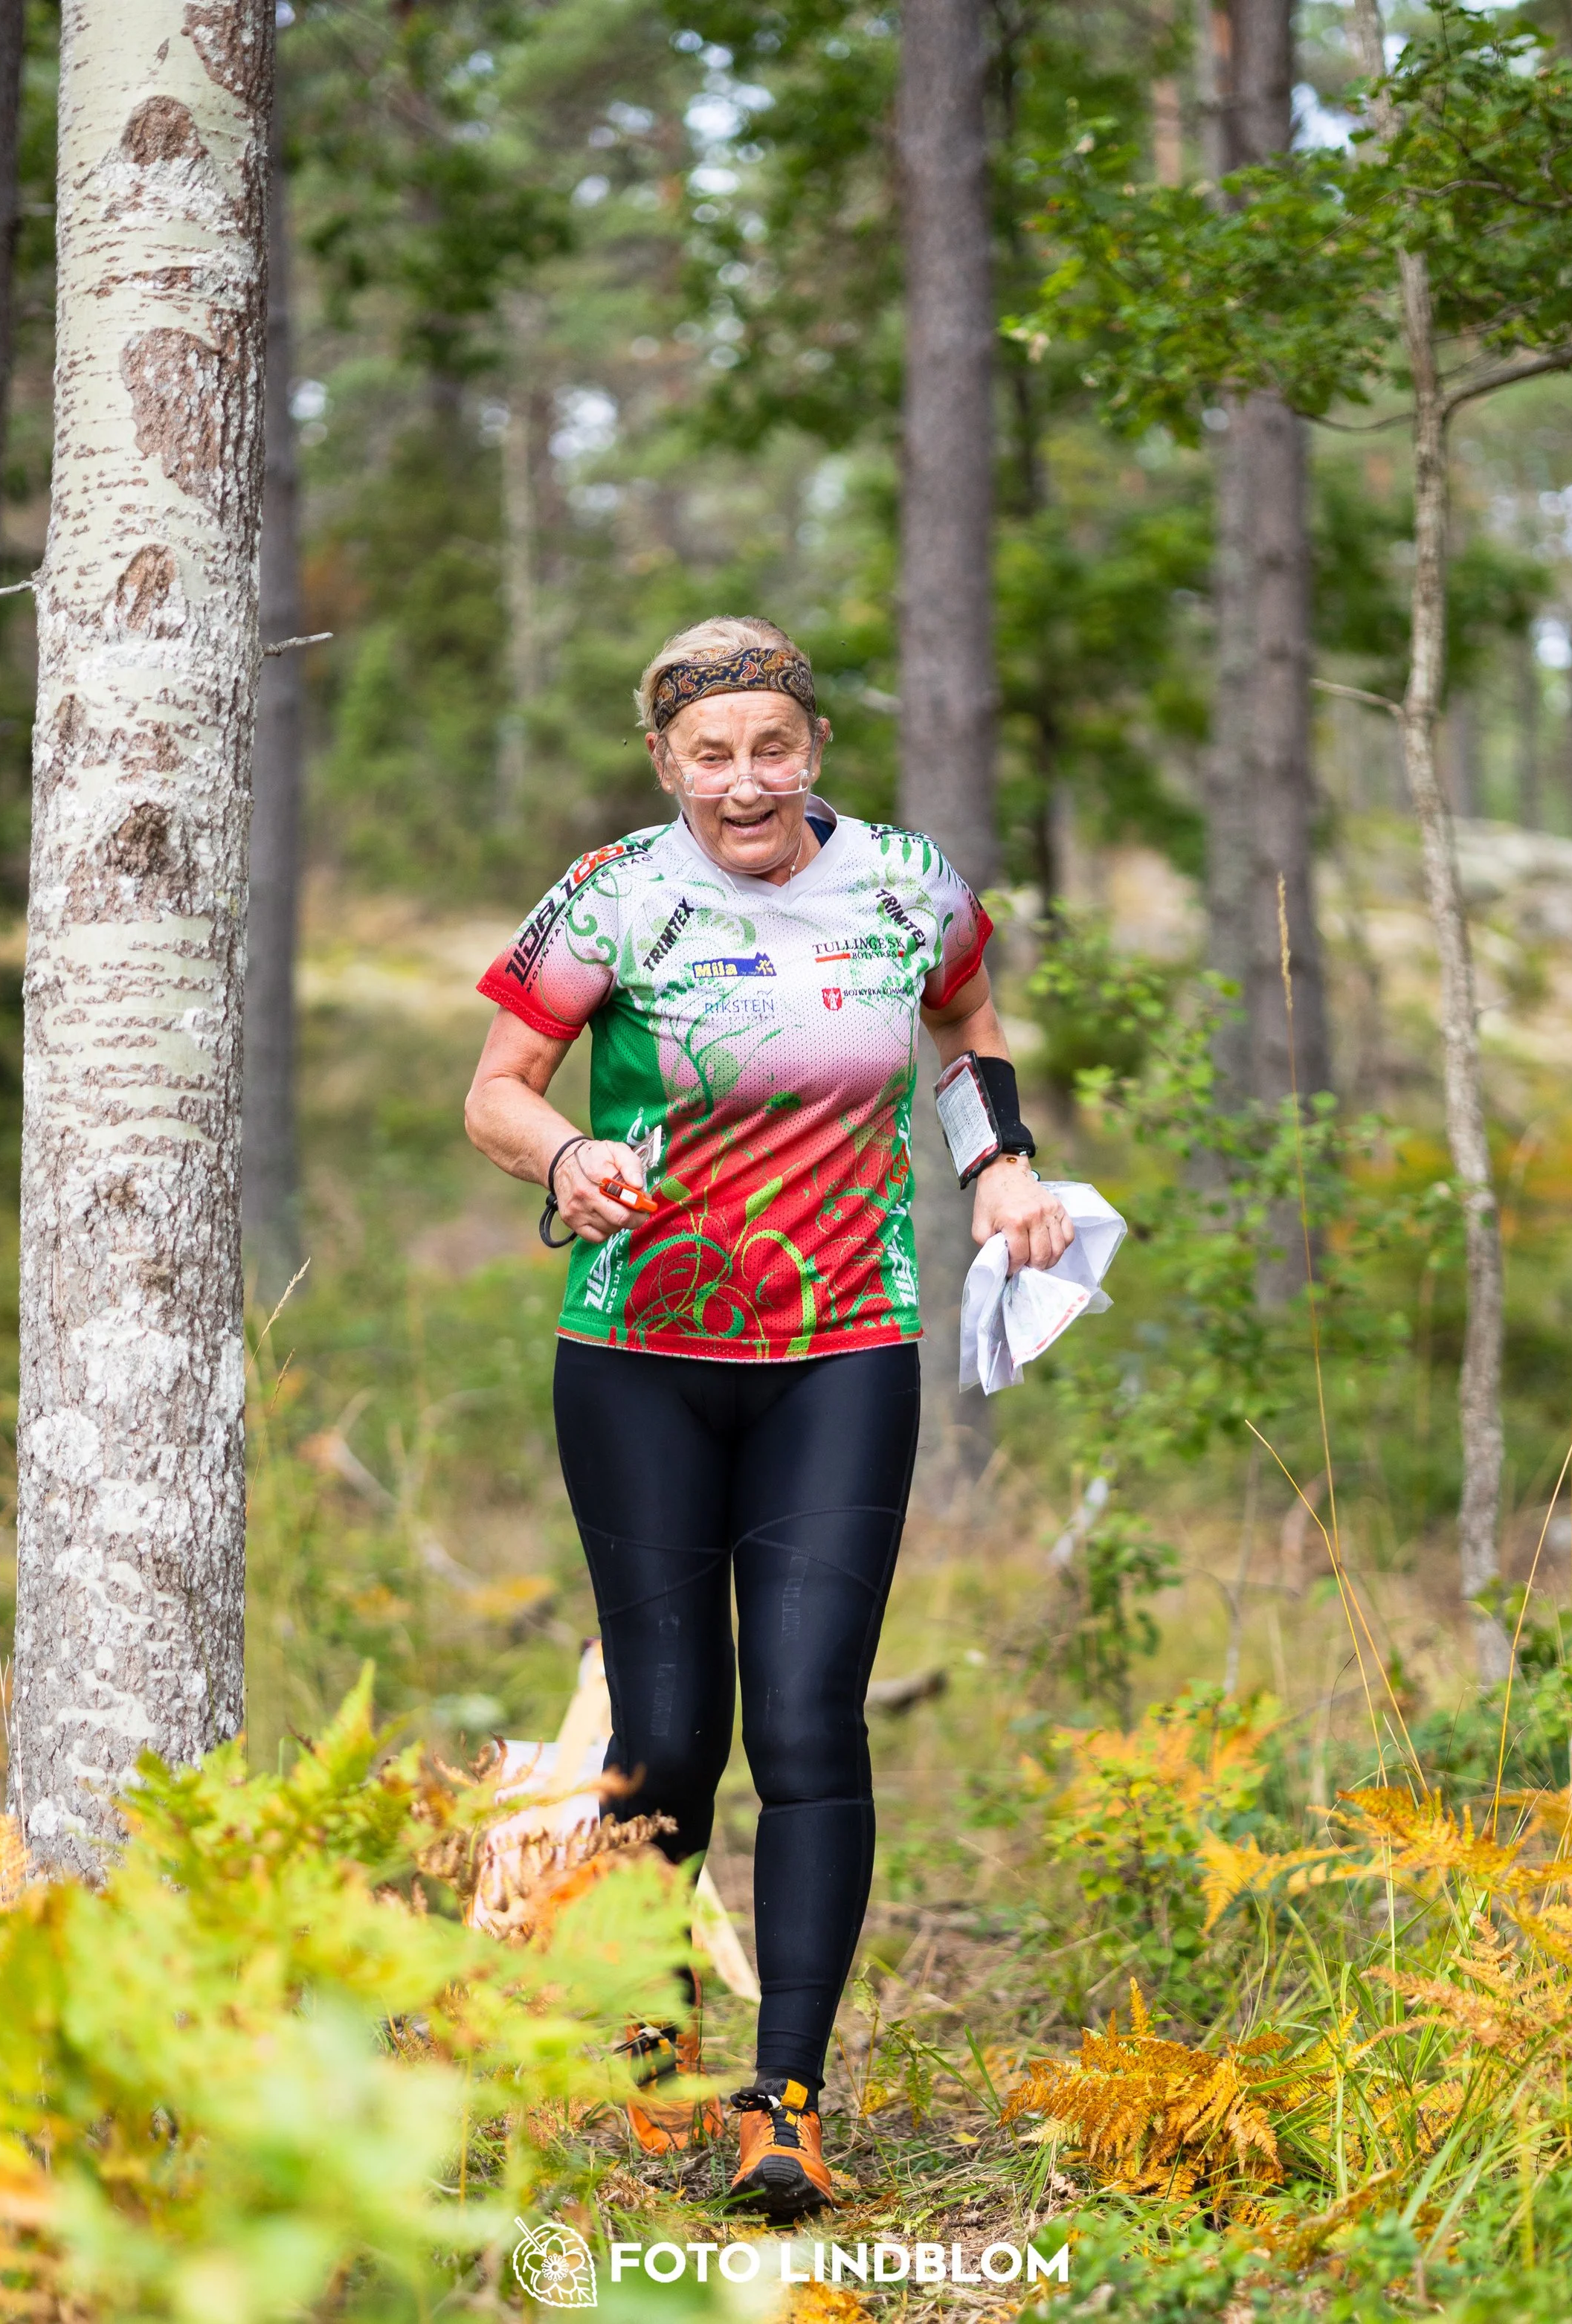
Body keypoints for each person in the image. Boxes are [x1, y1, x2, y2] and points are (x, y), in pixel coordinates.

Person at [464, 617, 1071, 2218]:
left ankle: (784, 2099)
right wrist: (560, 1157)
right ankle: (649, 2019)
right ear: (665, 764)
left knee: (806, 1718)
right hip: (638, 1352)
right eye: (709, 755)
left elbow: (964, 1030)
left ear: (812, 750)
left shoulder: (904, 884)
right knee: (667, 1735)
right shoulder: (611, 892)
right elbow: (496, 1084)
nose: (745, 781)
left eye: (772, 748)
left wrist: (996, 1164)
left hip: (839, 1349)